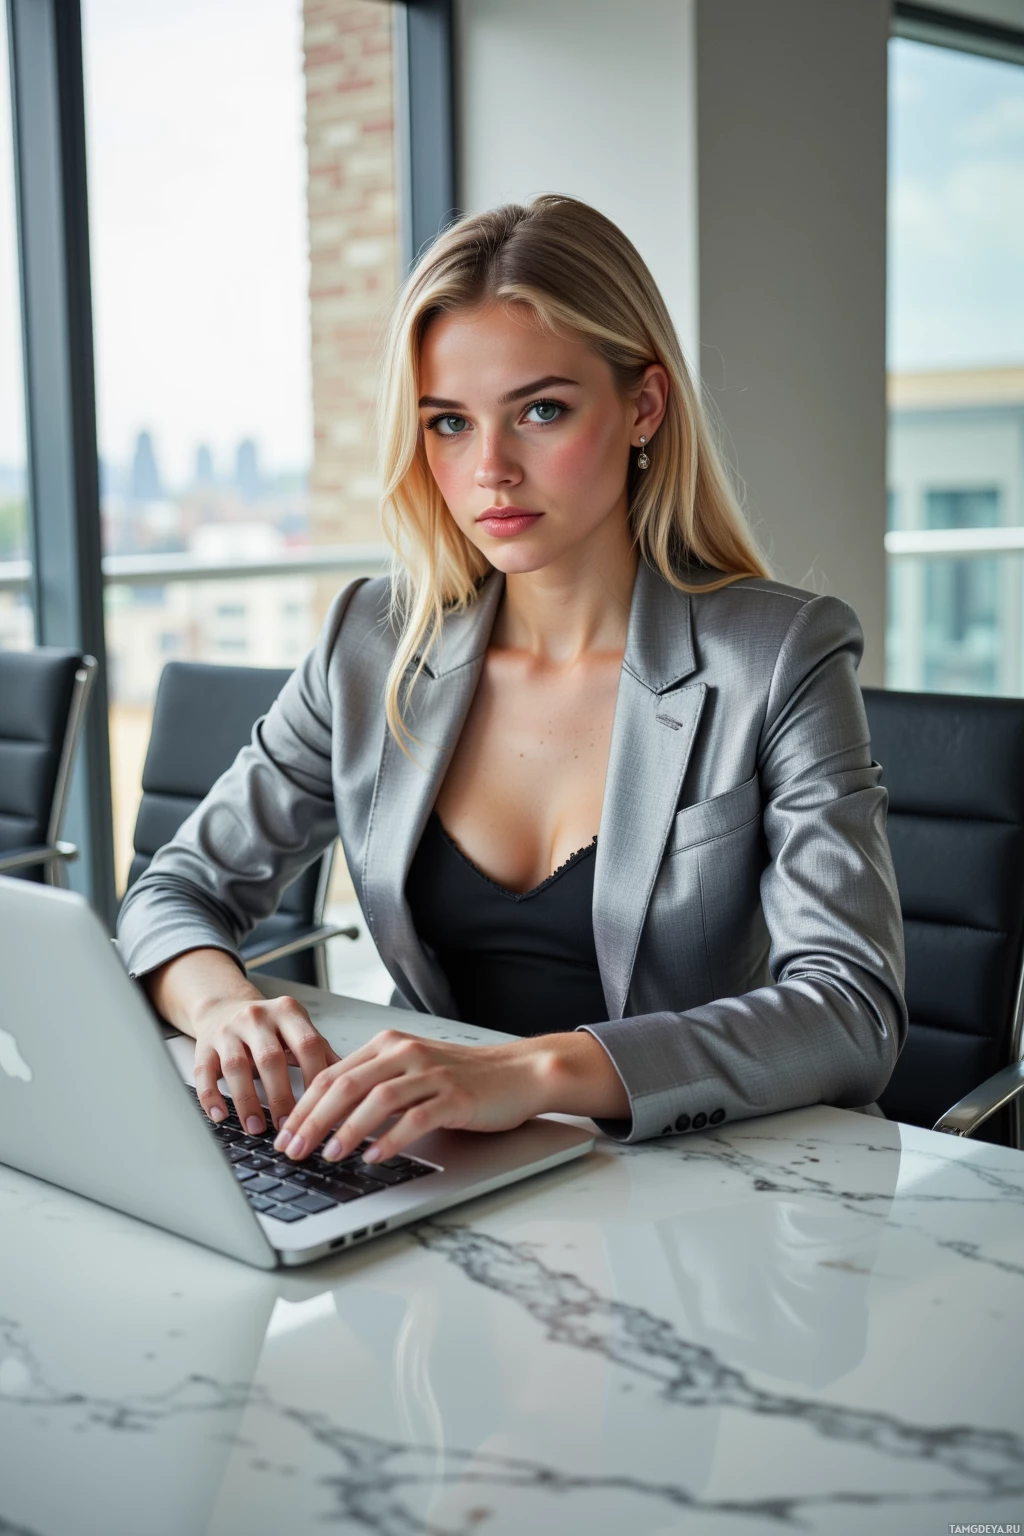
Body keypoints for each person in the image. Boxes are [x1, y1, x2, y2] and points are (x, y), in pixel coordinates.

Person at [118, 194, 906, 1170]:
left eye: (540, 410)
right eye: (448, 423)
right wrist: (226, 1007)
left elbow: (849, 1008)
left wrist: (529, 1075)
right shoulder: (371, 644)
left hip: (699, 1189)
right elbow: (176, 888)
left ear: (643, 406)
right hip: (430, 1165)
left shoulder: (777, 656)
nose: (489, 469)